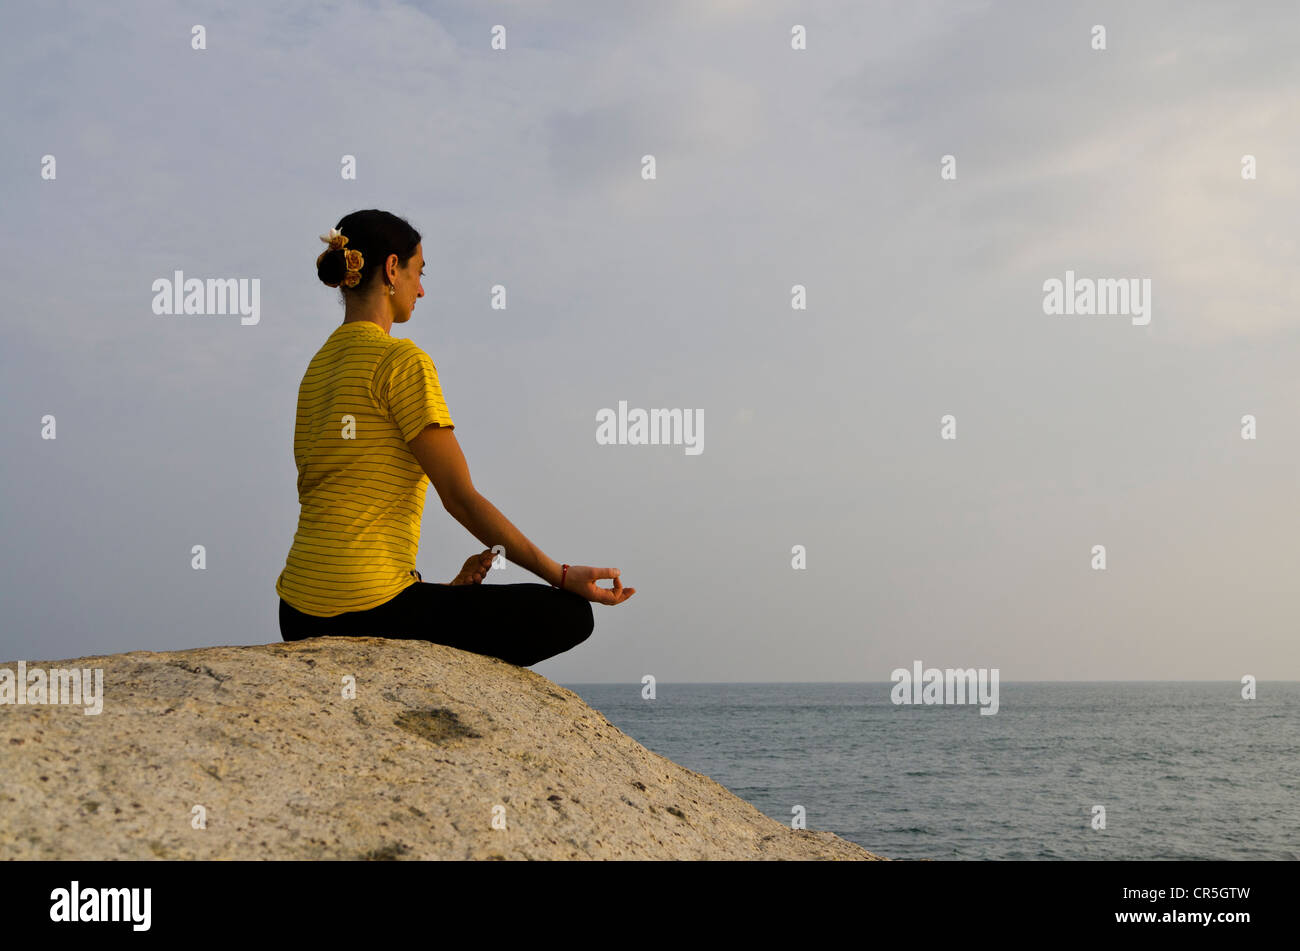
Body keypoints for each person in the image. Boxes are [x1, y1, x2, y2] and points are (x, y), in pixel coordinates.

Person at [276, 209, 634, 666]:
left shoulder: (317, 368)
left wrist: (439, 597)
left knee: (435, 604)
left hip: (298, 614)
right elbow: (460, 498)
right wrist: (561, 574)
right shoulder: (401, 361)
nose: (421, 289)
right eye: (417, 273)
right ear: (391, 270)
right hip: (366, 611)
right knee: (569, 614)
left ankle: (429, 600)